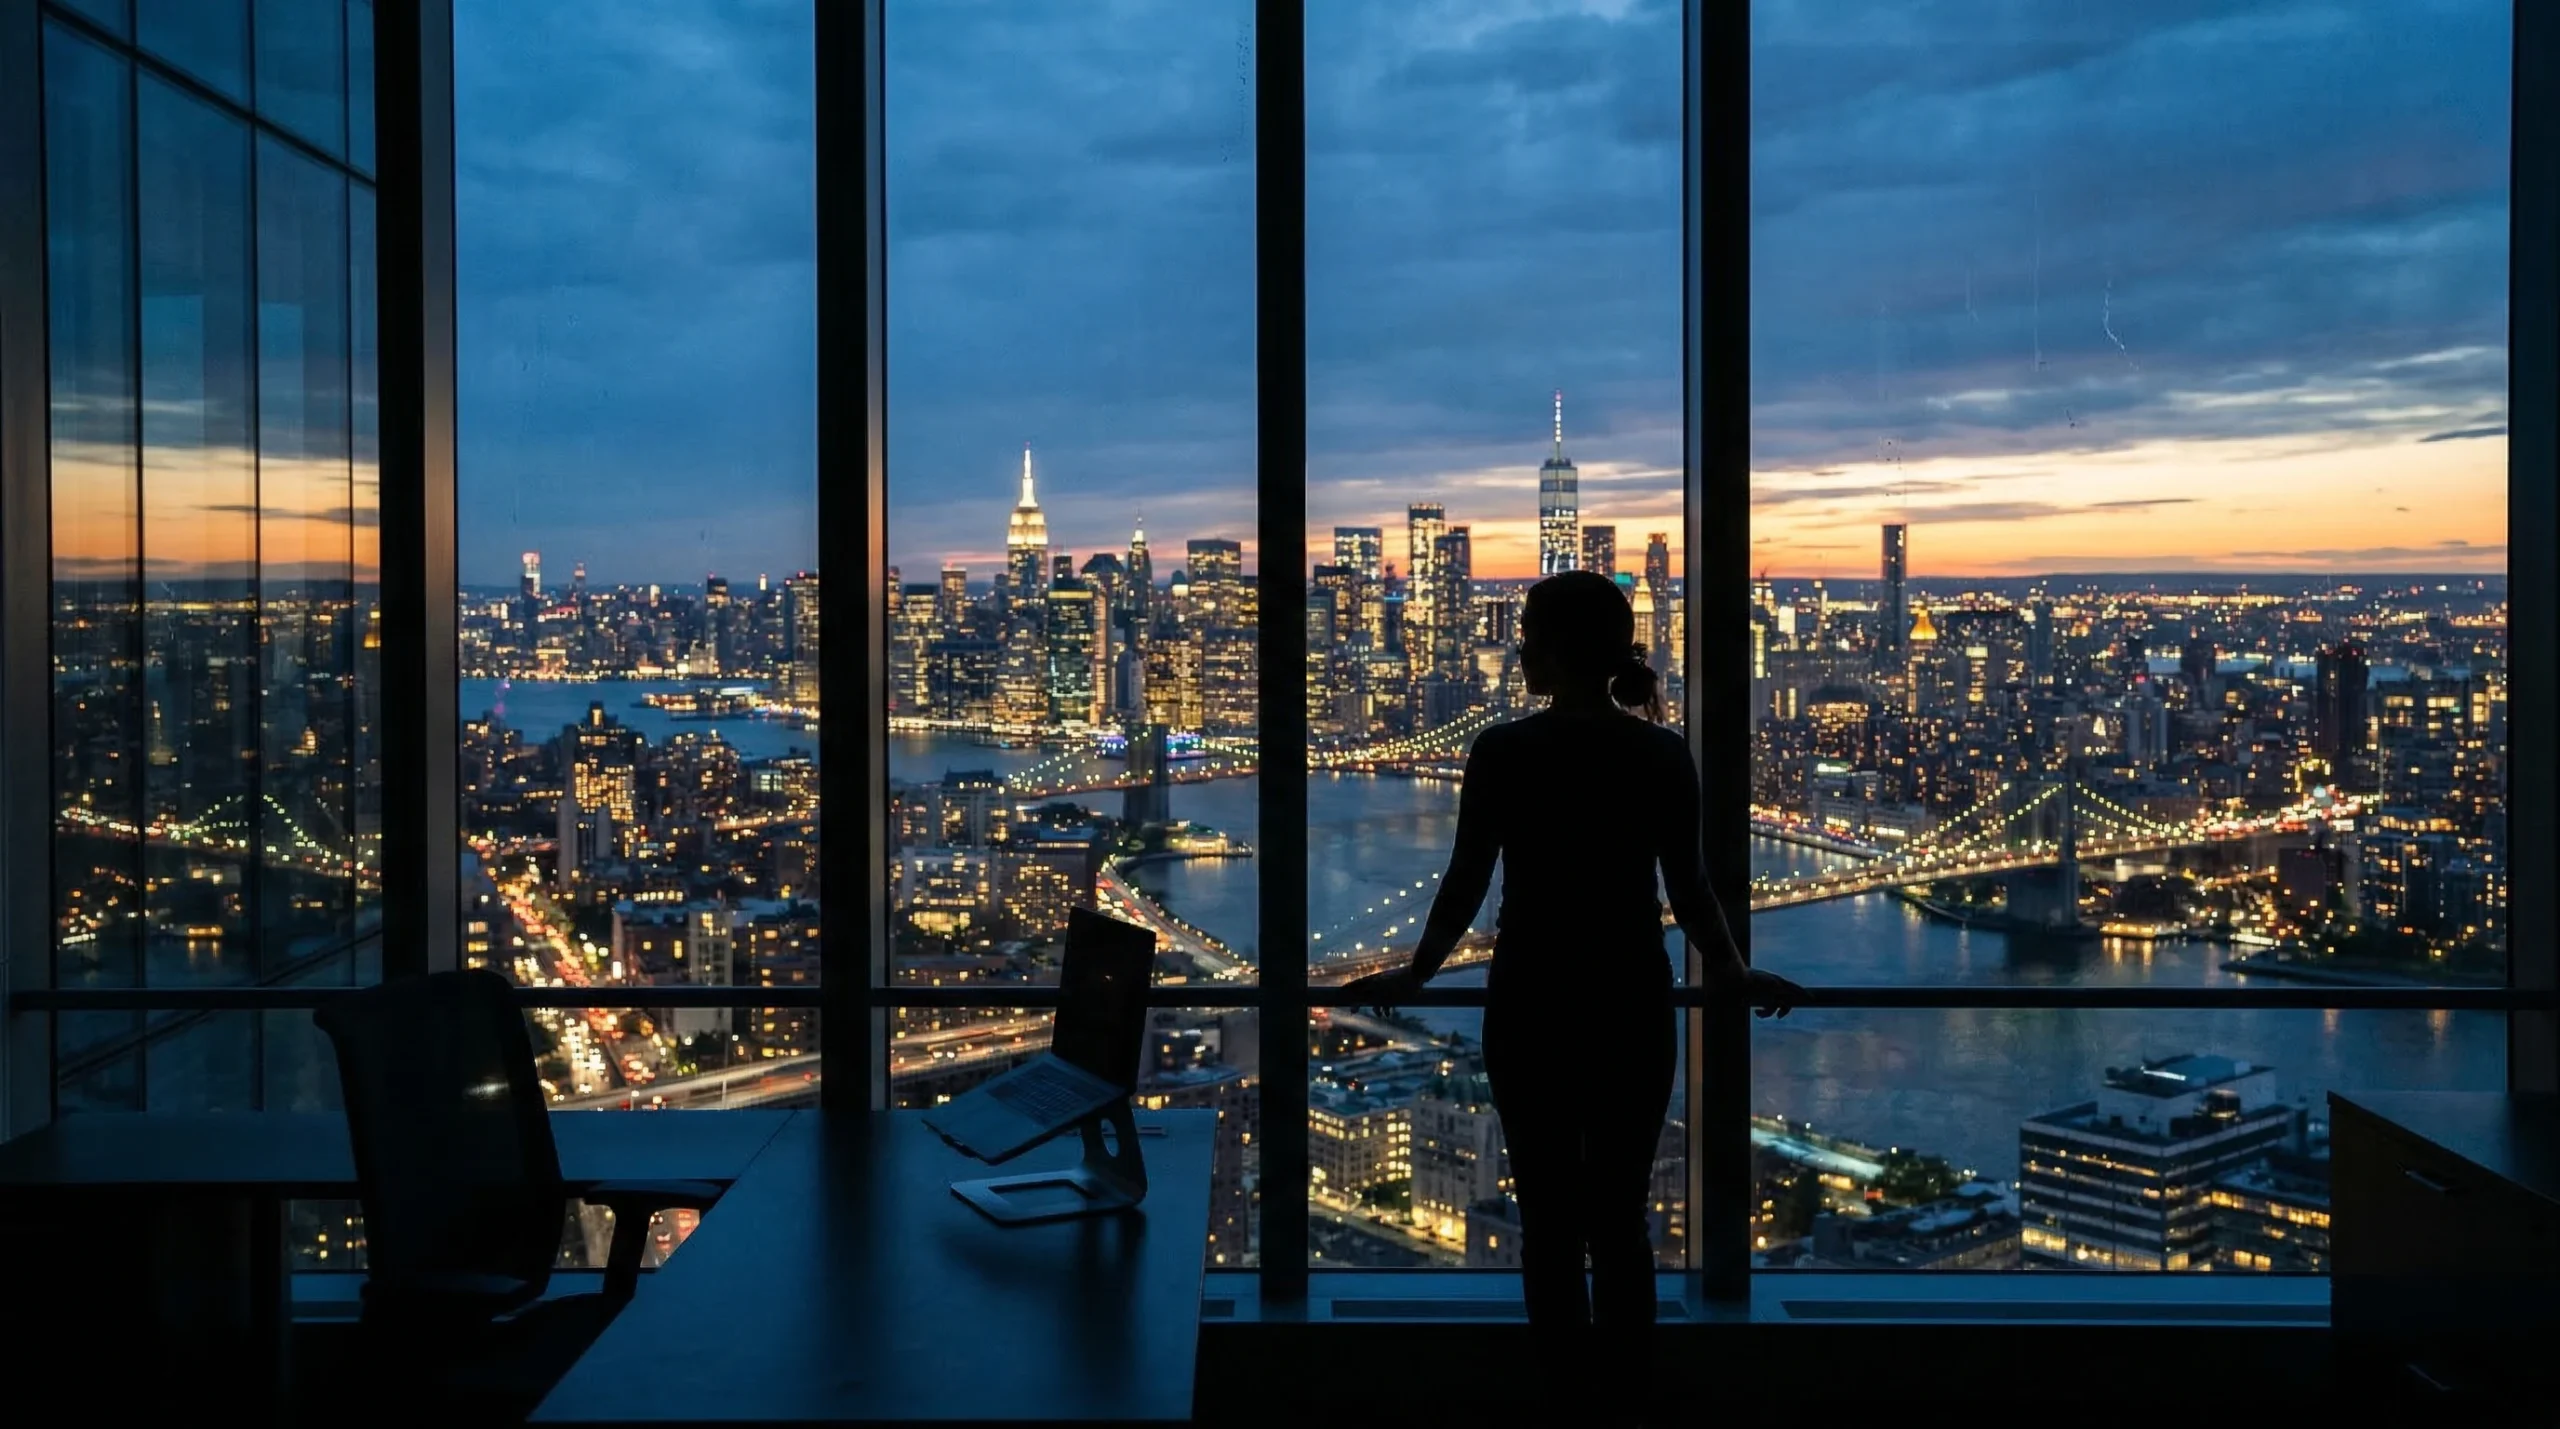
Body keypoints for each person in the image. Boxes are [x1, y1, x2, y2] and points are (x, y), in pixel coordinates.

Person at [1345, 569, 1801, 1421]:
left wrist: (1417, 973)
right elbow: (1692, 892)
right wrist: (1735, 976)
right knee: (1620, 1218)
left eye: (1527, 634)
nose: (1518, 648)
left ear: (1555, 649)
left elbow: (1464, 883)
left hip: (1531, 1005)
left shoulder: (1503, 752)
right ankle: (1627, 1399)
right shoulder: (1662, 754)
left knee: (1550, 1222)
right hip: (1631, 1002)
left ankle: (1563, 1398)